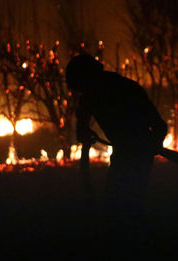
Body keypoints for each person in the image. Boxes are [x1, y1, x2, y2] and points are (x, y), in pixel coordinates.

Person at [66, 54, 167, 228]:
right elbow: (82, 126)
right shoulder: (91, 95)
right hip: (124, 151)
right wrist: (84, 132)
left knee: (126, 202)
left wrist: (153, 143)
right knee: (118, 202)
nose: (80, 91)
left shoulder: (123, 88)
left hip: (138, 152)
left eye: (79, 85)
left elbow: (158, 125)